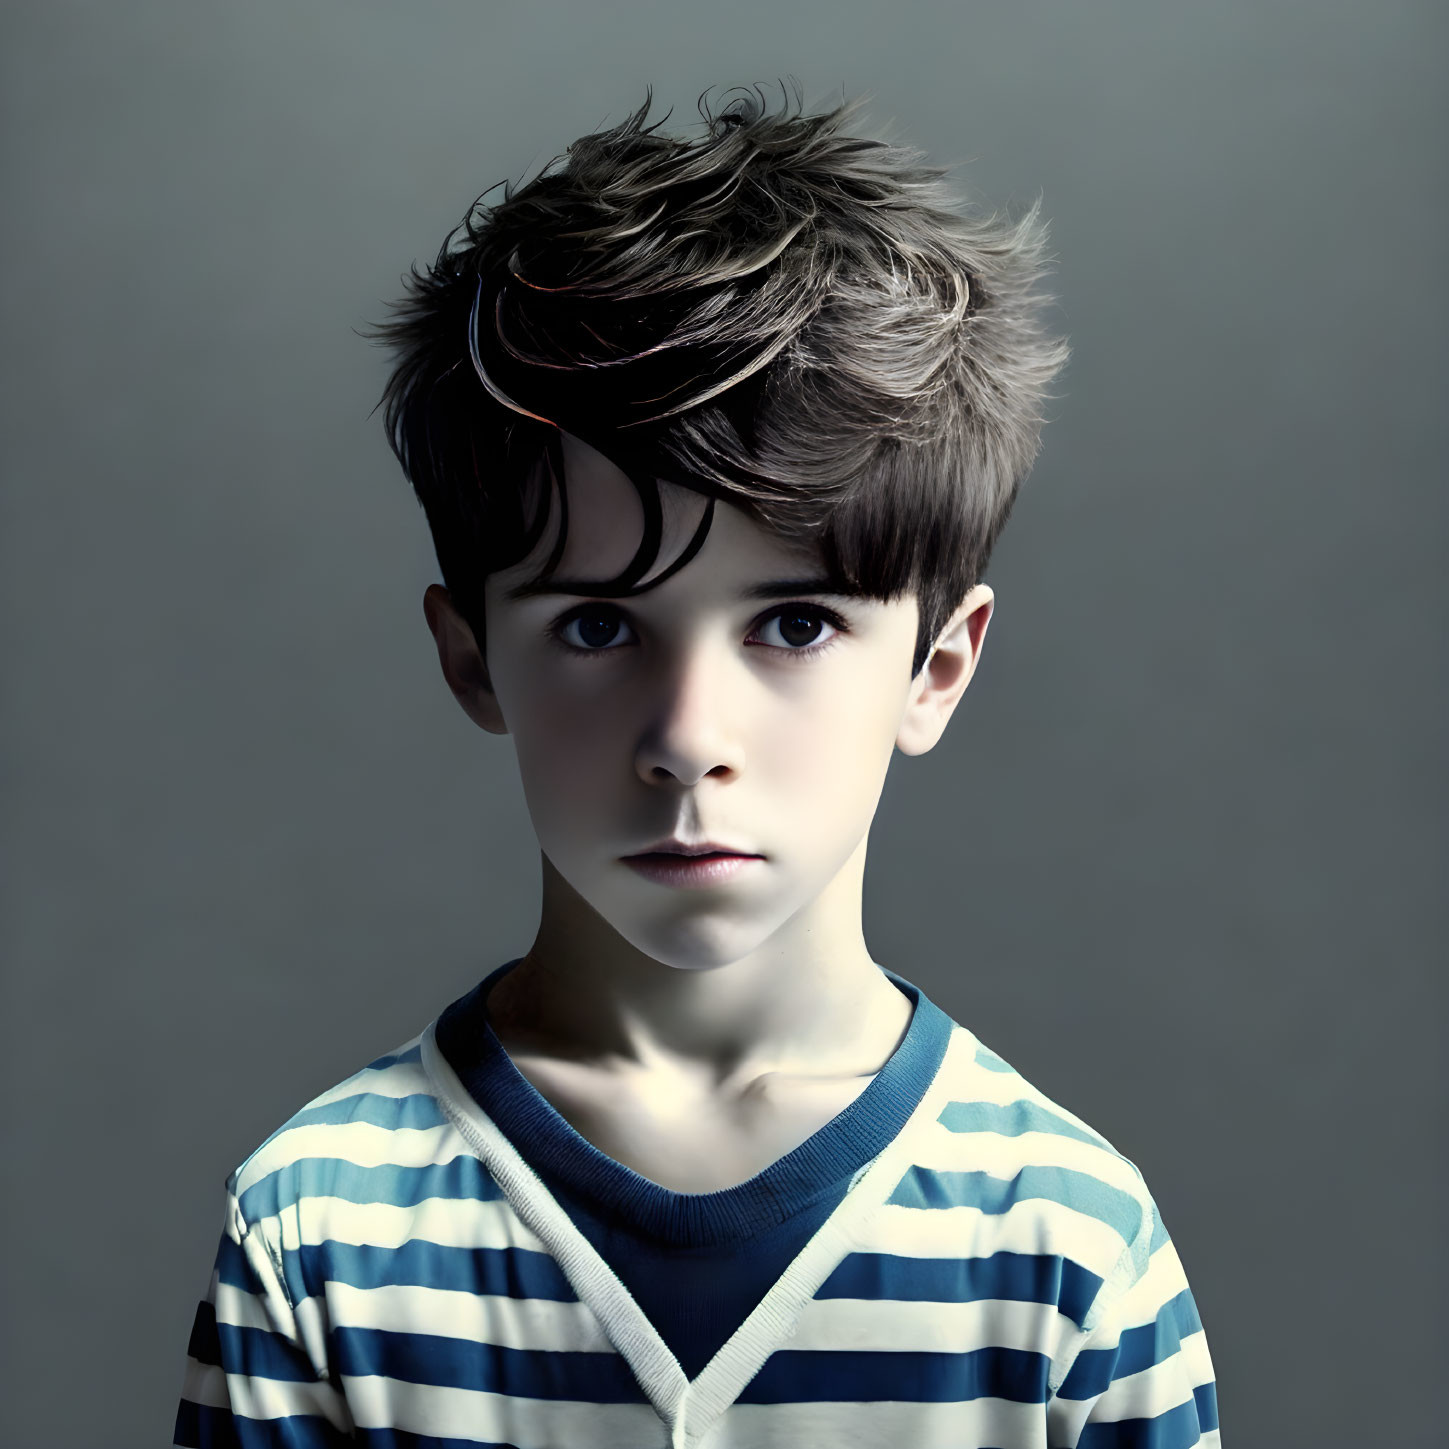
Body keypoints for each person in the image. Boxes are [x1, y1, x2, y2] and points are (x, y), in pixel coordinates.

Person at [173, 83, 1221, 1447]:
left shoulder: (1067, 1249)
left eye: (794, 622)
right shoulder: (318, 1229)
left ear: (936, 666)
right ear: (473, 654)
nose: (687, 740)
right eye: (599, 624)